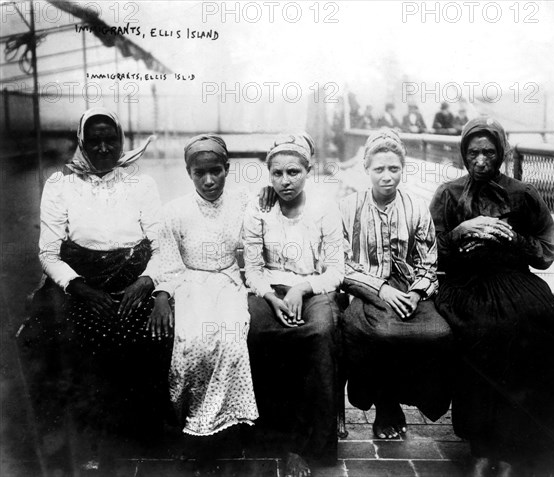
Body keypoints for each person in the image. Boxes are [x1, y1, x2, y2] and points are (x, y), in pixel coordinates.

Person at [430, 116, 554, 476]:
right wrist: (460, 232)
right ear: (463, 155)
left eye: (489, 152)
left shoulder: (523, 194)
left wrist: (512, 239)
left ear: (501, 153)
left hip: (514, 280)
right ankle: (482, 446)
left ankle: (521, 445)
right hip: (465, 285)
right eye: (473, 153)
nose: (481, 160)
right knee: (488, 334)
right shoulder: (448, 194)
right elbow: (429, 252)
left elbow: (546, 252)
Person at [23, 107, 171, 471]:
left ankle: (138, 435)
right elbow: (48, 253)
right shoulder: (60, 185)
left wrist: (147, 281)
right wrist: (79, 288)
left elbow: (162, 246)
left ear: (122, 141)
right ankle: (81, 438)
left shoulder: (142, 184)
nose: (104, 148)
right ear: (81, 143)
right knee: (57, 338)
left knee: (153, 332)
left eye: (111, 140)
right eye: (95, 141)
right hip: (81, 281)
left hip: (133, 280)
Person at [148, 135, 259, 462]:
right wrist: (162, 295)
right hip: (189, 282)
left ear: (227, 169)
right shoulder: (174, 211)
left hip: (227, 281)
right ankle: (192, 423)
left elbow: (260, 232)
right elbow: (168, 261)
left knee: (231, 339)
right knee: (192, 340)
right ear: (189, 173)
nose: (209, 180)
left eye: (216, 171)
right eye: (200, 173)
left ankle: (227, 426)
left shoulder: (243, 203)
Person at [339, 128, 453, 439]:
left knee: (439, 333)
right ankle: (384, 404)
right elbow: (340, 263)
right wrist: (380, 289)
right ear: (366, 170)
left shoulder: (416, 206)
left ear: (403, 169)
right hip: (365, 289)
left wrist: (417, 293)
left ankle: (413, 398)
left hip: (409, 290)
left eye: (394, 168)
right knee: (378, 333)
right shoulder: (349, 207)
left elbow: (428, 261)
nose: (387, 176)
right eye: (379, 169)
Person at [243, 133, 344, 477]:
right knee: (257, 332)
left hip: (313, 286)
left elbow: (336, 270)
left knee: (319, 334)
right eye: (277, 174)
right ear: (268, 175)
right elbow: (253, 270)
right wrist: (270, 296)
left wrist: (302, 288)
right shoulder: (259, 208)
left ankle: (311, 446)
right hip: (269, 288)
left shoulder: (324, 207)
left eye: (293, 172)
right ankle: (271, 438)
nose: (285, 181)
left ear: (308, 171)